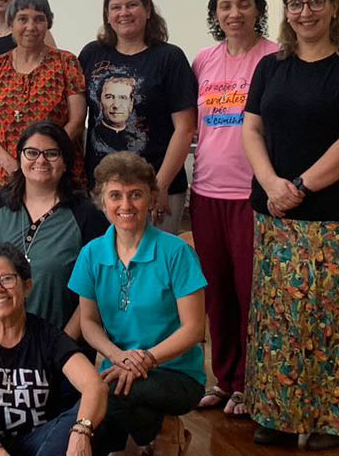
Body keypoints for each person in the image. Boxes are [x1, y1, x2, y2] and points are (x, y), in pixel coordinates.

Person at [241, 0, 339, 450]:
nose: (305, 12)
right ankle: (276, 415)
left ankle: (327, 419)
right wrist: (271, 184)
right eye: (296, 4)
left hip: (333, 215)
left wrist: (298, 187)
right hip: (273, 212)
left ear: (333, 7)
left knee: (326, 316)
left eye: (315, 1)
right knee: (275, 317)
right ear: (286, 12)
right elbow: (251, 129)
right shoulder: (270, 67)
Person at [68, 152, 206, 455]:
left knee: (106, 398)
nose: (126, 205)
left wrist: (145, 359)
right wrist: (116, 355)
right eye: (115, 196)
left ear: (151, 198)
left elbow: (194, 329)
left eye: (136, 195)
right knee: (94, 422)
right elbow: (88, 322)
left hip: (175, 373)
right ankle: (161, 428)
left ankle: (162, 430)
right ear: (101, 201)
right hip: (118, 366)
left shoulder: (176, 252)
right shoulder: (91, 254)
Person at [189, 0, 278, 417]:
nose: (234, 13)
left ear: (257, 8)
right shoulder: (203, 60)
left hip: (253, 194)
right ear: (215, 13)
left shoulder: (275, 57)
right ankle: (224, 380)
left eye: (243, 4)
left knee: (251, 292)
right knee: (217, 292)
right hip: (206, 191)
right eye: (225, 6)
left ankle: (250, 384)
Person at [0, 242, 107, 456]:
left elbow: (95, 385)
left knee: (84, 417)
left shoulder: (48, 337)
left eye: (7, 279)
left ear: (26, 286)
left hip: (40, 444)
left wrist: (81, 431)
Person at [78, 0, 196, 234]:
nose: (124, 13)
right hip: (102, 190)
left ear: (148, 10)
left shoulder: (169, 58)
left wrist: (159, 186)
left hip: (156, 189)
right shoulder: (91, 54)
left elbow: (185, 128)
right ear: (107, 16)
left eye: (132, 5)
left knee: (154, 258)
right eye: (116, 7)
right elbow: (77, 118)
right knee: (105, 257)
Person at [0, 122, 107, 337]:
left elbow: (96, 289)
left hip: (63, 342)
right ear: (20, 158)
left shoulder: (87, 214)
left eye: (51, 154)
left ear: (65, 162)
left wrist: (62, 346)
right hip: (0, 338)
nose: (41, 160)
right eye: (32, 152)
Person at [0, 0, 86, 202]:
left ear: (48, 23)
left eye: (39, 19)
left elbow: (77, 120)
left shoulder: (66, 63)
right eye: (23, 19)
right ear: (11, 23)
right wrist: (12, 165)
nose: (31, 26)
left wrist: (43, 160)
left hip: (55, 176)